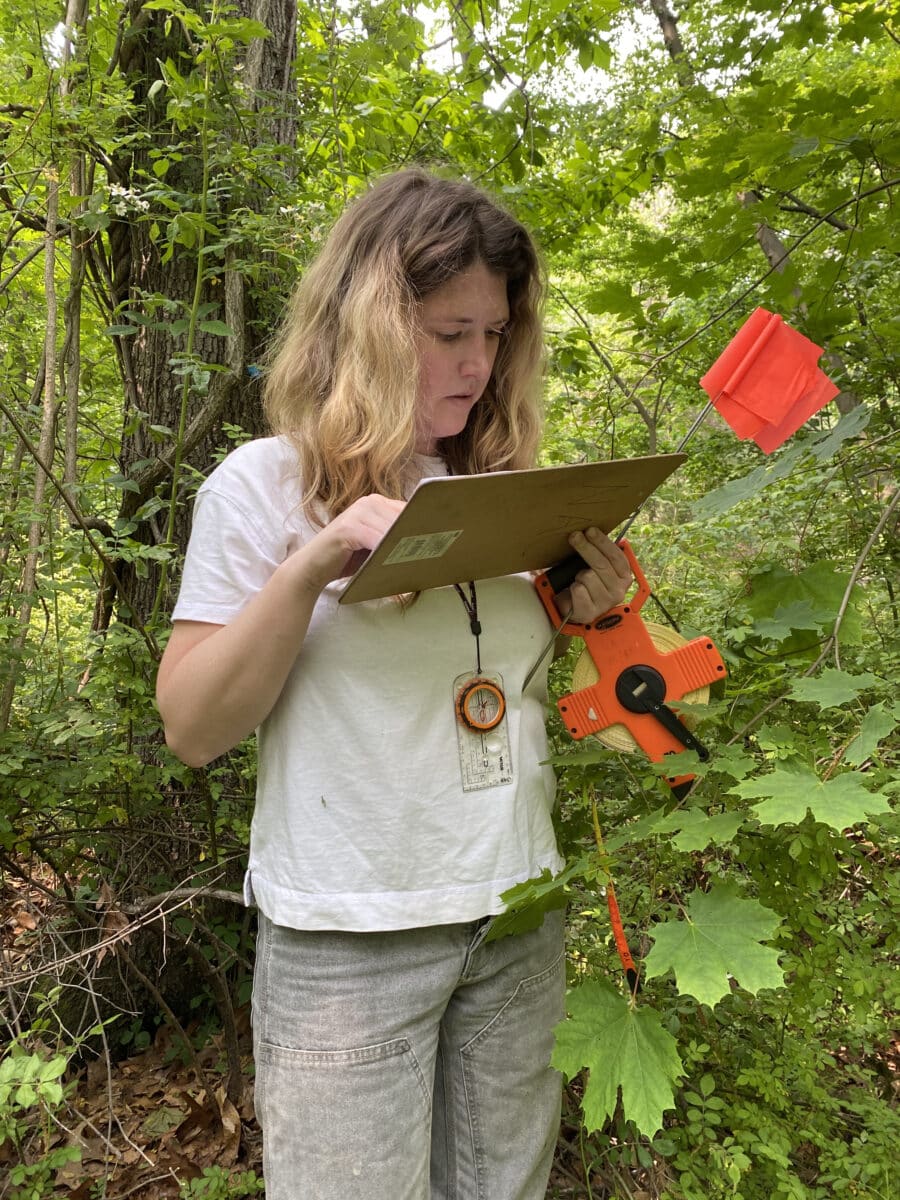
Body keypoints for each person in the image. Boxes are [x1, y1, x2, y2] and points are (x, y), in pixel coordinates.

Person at [156, 167, 632, 1200]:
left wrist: (588, 609)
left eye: (494, 333)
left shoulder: (506, 487)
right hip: (348, 938)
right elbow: (193, 727)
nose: (476, 363)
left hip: (517, 913)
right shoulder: (263, 486)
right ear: (370, 324)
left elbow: (513, 694)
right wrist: (310, 567)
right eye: (447, 331)